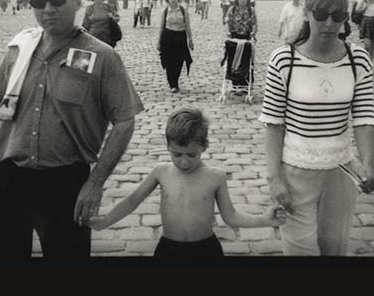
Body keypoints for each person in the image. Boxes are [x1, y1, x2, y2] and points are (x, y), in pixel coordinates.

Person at [0, 0, 143, 259]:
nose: (48, 9)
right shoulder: (18, 49)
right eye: (38, 3)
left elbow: (125, 121)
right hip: (9, 178)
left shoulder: (102, 56)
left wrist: (95, 183)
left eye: (57, 0)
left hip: (65, 184)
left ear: (77, 1)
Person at [260, 0, 374, 256]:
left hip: (340, 172)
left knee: (333, 249)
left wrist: (369, 164)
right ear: (307, 13)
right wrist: (274, 179)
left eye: (337, 16)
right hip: (295, 173)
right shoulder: (283, 60)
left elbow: (363, 118)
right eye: (321, 15)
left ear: (345, 18)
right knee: (299, 251)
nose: (328, 24)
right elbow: (274, 125)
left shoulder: (357, 59)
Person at [89, 108, 286, 258]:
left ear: (204, 146)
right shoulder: (161, 172)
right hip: (168, 248)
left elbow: (231, 217)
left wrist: (265, 220)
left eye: (192, 155)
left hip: (206, 248)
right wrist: (106, 221)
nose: (184, 162)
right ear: (168, 146)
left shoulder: (216, 177)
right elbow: (133, 201)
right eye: (177, 154)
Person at [158, 0, 194, 93]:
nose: (173, 0)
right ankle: (172, 84)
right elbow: (161, 27)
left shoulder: (183, 10)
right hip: (168, 37)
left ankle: (176, 80)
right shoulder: (165, 11)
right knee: (169, 61)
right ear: (168, 0)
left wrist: (190, 39)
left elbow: (187, 26)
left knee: (179, 60)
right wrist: (159, 42)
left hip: (180, 37)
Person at [226, 0, 257, 89]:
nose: (242, 1)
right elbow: (228, 22)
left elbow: (255, 23)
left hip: (246, 38)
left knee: (246, 60)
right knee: (233, 59)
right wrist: (228, 32)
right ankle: (235, 81)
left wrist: (254, 33)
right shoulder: (232, 9)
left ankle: (245, 81)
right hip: (234, 38)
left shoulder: (250, 10)